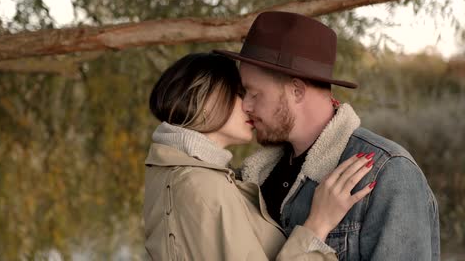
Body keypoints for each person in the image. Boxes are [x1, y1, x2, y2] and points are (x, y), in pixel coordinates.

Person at [213, 11, 440, 260]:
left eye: (254, 94)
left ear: (297, 90)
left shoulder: (386, 172)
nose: (245, 105)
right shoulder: (255, 176)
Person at [144, 52, 377, 260]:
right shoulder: (202, 186)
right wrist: (319, 224)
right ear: (205, 100)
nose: (247, 106)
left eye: (251, 94)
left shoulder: (178, 173)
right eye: (239, 93)